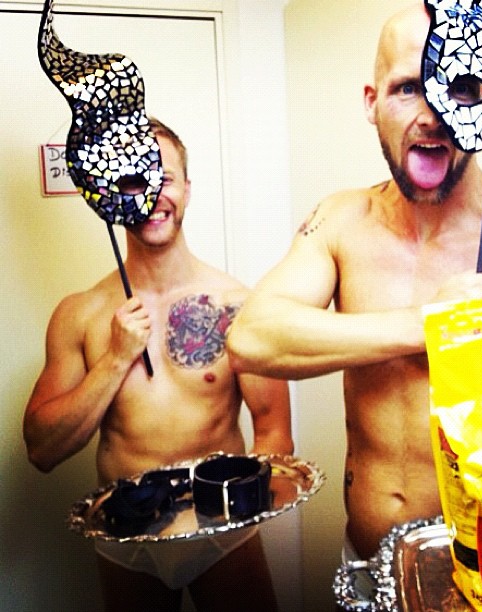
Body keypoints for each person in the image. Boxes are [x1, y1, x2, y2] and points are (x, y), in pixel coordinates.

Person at [226, 2, 482, 567]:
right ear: (371, 101)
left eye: (459, 87)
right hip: (365, 564)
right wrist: (427, 324)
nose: (431, 115)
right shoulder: (342, 222)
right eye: (408, 87)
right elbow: (252, 339)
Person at [23, 118, 293, 612]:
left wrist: (241, 509)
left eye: (163, 177)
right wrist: (115, 359)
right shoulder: (80, 314)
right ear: (110, 193)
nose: (151, 193)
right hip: (128, 537)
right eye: (132, 179)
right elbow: (42, 448)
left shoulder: (238, 307)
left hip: (222, 534)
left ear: (187, 187)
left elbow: (274, 431)